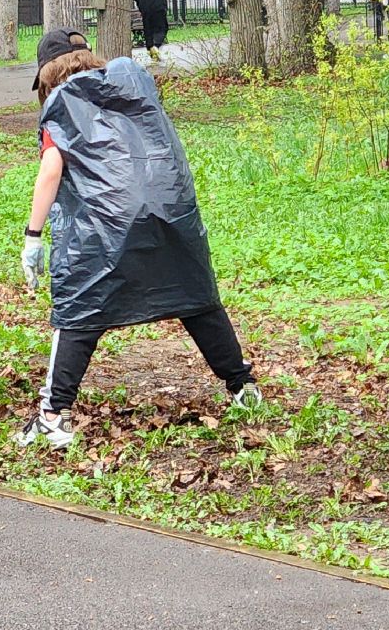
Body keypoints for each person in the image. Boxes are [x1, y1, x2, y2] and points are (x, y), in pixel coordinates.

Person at [15, 31, 260, 448]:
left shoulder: (62, 106)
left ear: (48, 75)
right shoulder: (134, 91)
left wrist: (33, 236)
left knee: (78, 315)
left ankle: (53, 415)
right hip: (168, 215)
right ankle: (243, 386)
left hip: (101, 230)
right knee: (196, 299)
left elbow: (51, 171)